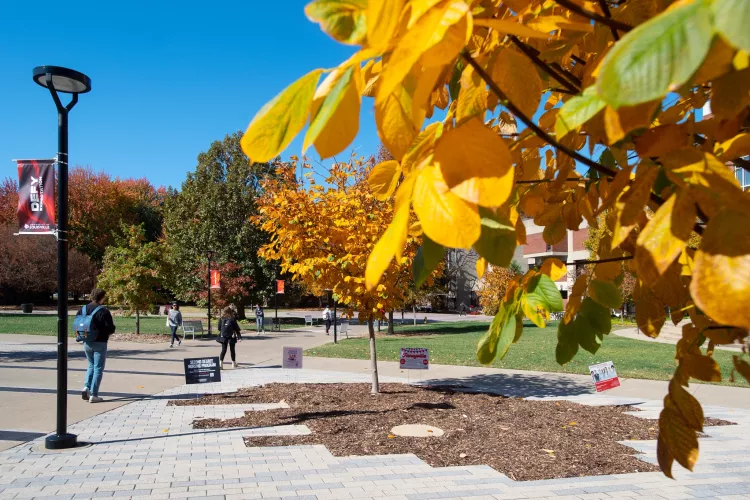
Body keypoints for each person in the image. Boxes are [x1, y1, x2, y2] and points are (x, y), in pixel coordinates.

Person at [79, 288, 116, 403]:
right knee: (98, 368)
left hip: (86, 341)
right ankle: (94, 394)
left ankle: (86, 387)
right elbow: (111, 328)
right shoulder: (103, 311)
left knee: (91, 365)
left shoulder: (83, 309)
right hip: (100, 342)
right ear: (102, 297)